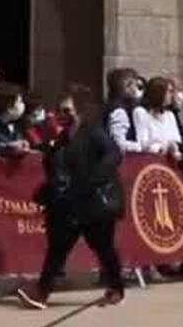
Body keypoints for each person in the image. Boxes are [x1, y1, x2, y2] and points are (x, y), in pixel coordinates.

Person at [17, 85, 126, 310]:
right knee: (57, 247)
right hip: (70, 204)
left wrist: (95, 178)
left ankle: (116, 287)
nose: (62, 115)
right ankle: (41, 292)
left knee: (103, 247)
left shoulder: (94, 134)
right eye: (59, 110)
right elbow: (56, 169)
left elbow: (113, 154)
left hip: (96, 203)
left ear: (80, 111)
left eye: (67, 110)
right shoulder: (61, 140)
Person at [132, 77, 183, 158]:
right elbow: (143, 142)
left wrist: (174, 146)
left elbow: (176, 139)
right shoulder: (141, 113)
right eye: (169, 91)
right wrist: (163, 146)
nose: (172, 95)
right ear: (159, 93)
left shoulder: (170, 115)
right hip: (150, 159)